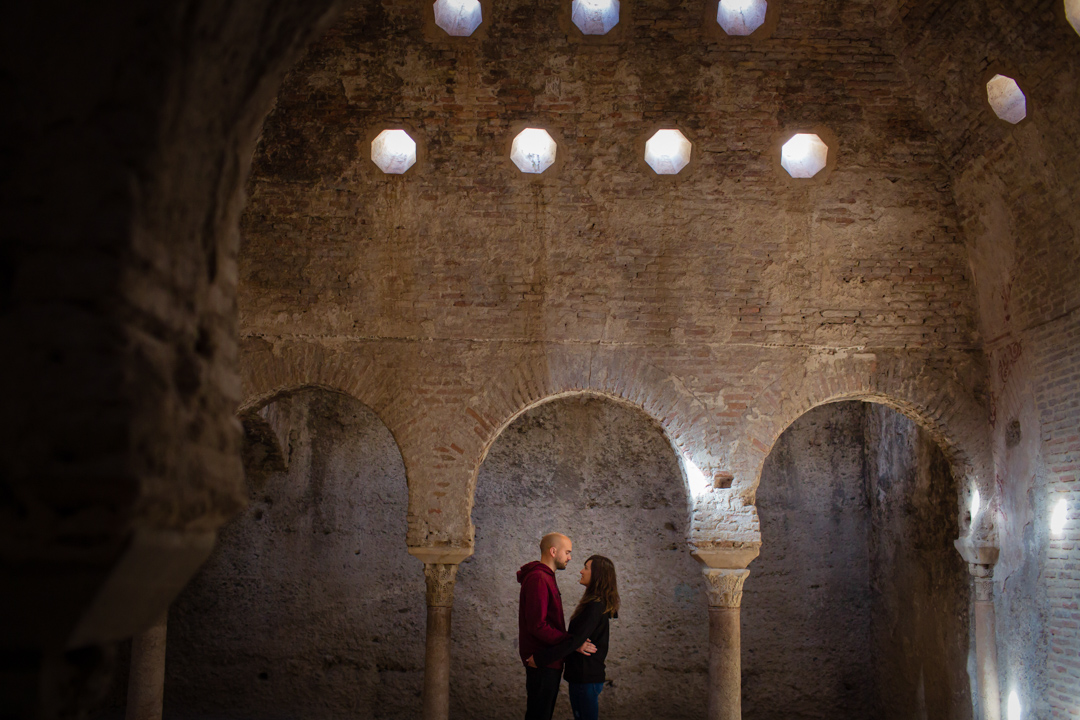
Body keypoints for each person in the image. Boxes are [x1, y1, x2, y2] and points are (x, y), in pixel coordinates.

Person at [527, 555, 620, 720]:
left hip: (586, 679)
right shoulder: (594, 604)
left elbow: (573, 641)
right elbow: (576, 641)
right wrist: (577, 643)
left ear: (597, 575)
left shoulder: (595, 606)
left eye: (586, 568)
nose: (581, 571)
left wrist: (540, 659)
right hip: (583, 677)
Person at [518, 533, 595, 720]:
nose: (570, 557)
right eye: (567, 552)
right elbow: (538, 626)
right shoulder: (538, 578)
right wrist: (572, 642)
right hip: (542, 660)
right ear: (553, 551)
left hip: (548, 659)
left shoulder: (546, 577)